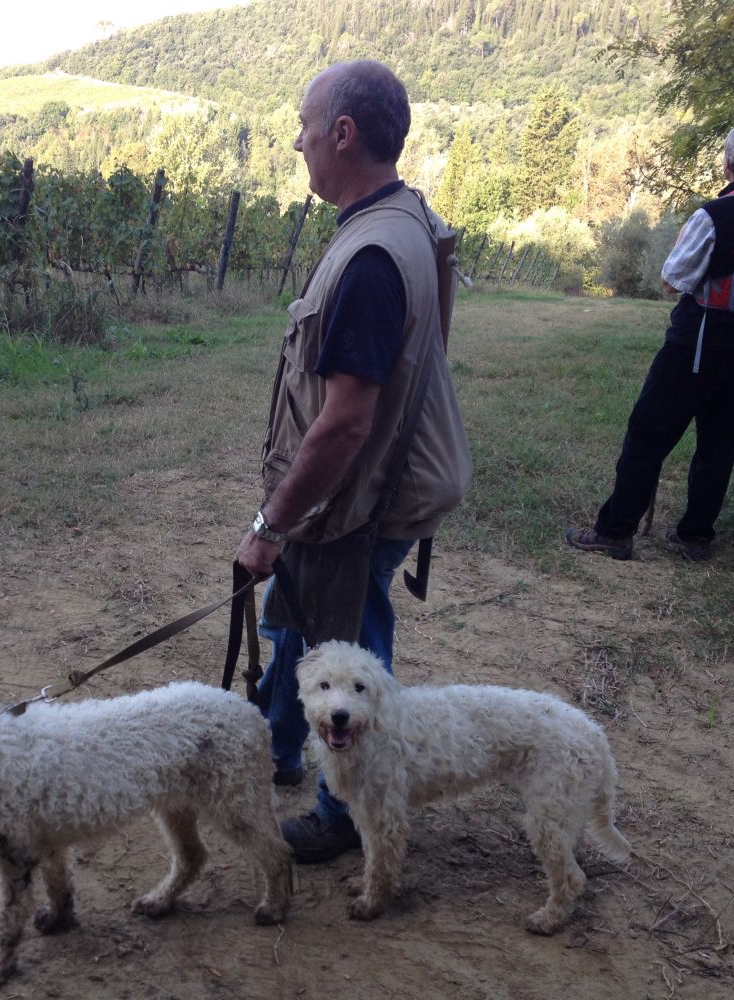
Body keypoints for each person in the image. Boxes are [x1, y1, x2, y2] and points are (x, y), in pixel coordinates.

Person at [235, 60, 472, 863]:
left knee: (350, 650)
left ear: (342, 133)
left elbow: (343, 424)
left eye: (305, 126)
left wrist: (271, 524)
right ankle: (270, 749)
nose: (296, 142)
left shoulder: (371, 257)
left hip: (358, 501)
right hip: (355, 495)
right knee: (298, 623)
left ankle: (346, 816)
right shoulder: (398, 221)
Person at [565, 120, 734, 563]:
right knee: (719, 440)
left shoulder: (713, 214)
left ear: (729, 164)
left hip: (697, 342)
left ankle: (616, 530)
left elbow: (673, 278)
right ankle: (695, 537)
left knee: (647, 432)